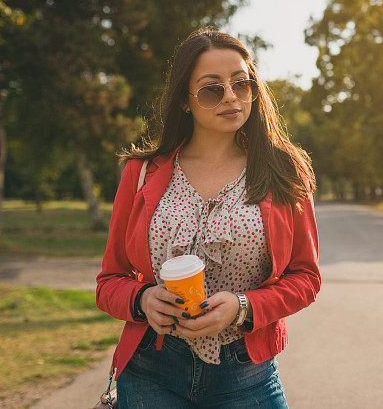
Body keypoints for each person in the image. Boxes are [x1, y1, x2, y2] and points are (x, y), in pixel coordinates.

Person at [95, 27, 321, 408]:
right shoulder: (141, 173)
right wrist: (141, 300)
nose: (231, 97)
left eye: (241, 84)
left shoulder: (284, 169)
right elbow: (108, 282)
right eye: (212, 89)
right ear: (186, 99)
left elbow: (307, 278)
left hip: (247, 375)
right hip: (151, 370)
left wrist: (243, 306)